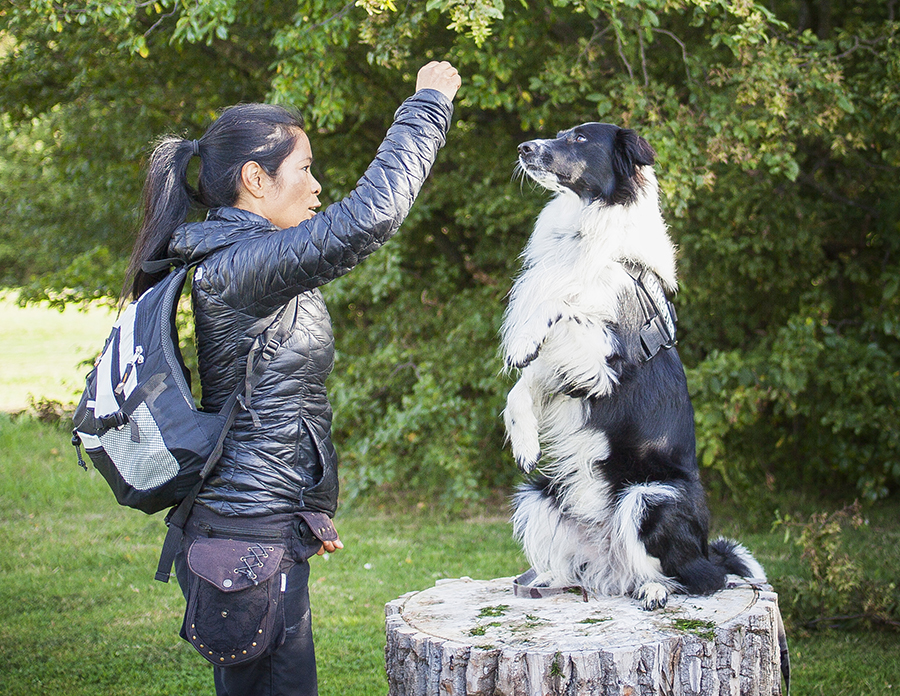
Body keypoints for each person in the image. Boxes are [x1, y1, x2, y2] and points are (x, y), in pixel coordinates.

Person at [123, 61, 461, 695]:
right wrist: (428, 105)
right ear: (256, 178)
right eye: (303, 168)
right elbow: (367, 218)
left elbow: (277, 405)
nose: (315, 185)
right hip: (245, 539)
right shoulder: (240, 265)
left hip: (260, 530)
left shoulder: (247, 263)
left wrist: (304, 511)